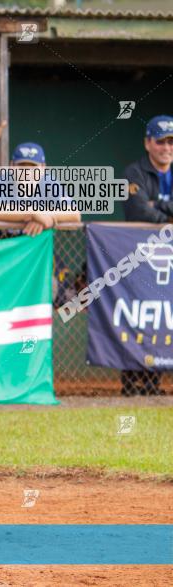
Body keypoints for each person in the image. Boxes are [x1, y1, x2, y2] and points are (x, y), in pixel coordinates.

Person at [120, 115, 173, 396]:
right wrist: (166, 216)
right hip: (137, 257)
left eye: (171, 142)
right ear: (148, 143)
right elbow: (137, 210)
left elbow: (150, 209)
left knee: (165, 318)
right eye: (161, 141)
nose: (167, 147)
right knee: (136, 316)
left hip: (169, 261)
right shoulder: (134, 172)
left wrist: (159, 206)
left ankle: (154, 383)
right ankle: (130, 383)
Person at [0, 142, 81, 236]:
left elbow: (75, 214)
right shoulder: (1, 181)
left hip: (30, 244)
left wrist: (46, 216)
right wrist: (32, 213)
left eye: (33, 167)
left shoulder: (49, 183)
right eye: (21, 166)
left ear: (43, 168)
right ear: (12, 166)